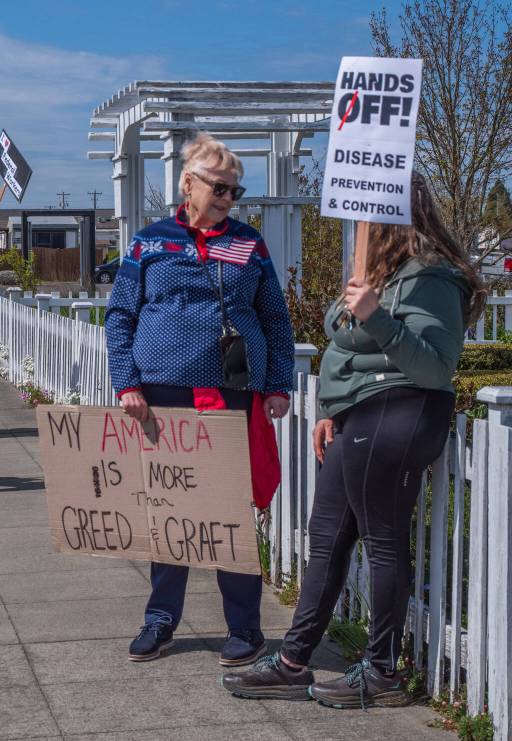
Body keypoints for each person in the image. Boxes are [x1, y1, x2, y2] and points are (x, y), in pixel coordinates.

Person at [222, 171, 485, 708]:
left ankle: (383, 672)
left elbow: (435, 369)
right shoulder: (378, 272)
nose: (357, 222)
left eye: (367, 212)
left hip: (402, 409)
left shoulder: (430, 276)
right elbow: (341, 348)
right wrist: (330, 407)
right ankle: (295, 660)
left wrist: (376, 316)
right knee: (327, 535)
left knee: (383, 540)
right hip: (361, 415)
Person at [105, 132, 295, 666]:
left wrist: (279, 383)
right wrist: (127, 382)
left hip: (232, 393)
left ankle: (245, 627)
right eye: (220, 187)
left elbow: (275, 319)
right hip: (162, 393)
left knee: (230, 511)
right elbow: (120, 315)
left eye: (236, 191)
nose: (229, 198)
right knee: (170, 506)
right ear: (188, 183)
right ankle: (161, 618)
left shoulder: (249, 244)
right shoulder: (149, 242)